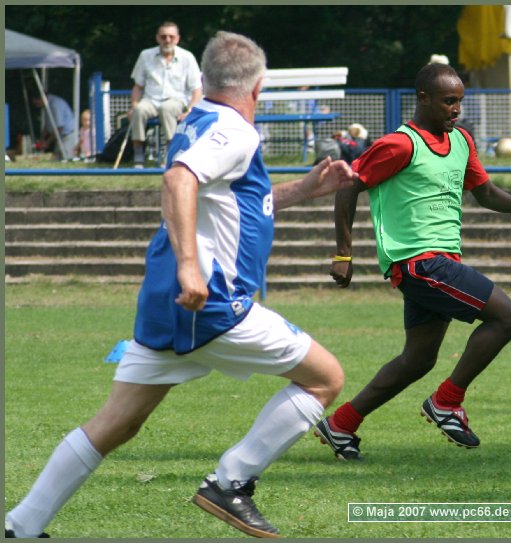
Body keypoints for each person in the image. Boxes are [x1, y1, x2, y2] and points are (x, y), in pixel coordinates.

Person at [5, 30, 357, 539]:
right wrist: (192, 267)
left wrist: (305, 188)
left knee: (117, 423)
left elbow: (228, 200)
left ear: (204, 78)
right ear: (258, 87)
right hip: (209, 303)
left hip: (166, 300)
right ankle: (230, 483)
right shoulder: (235, 130)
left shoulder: (198, 117)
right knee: (324, 379)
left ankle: (22, 525)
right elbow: (179, 180)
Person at [313, 62, 511, 461]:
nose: (456, 109)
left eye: (459, 101)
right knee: (506, 317)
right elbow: (348, 187)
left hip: (438, 263)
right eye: (448, 101)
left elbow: (485, 192)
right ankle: (447, 401)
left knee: (418, 359)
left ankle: (341, 424)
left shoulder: (461, 141)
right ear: (424, 99)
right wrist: (343, 253)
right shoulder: (399, 145)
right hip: (418, 263)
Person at [129, 21, 202, 168]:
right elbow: (138, 86)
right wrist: (134, 105)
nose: (167, 40)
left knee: (166, 108)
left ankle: (171, 153)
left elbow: (197, 90)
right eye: (163, 36)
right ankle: (138, 156)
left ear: (177, 39)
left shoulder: (187, 57)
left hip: (176, 101)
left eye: (171, 36)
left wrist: (189, 111)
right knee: (139, 110)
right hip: (150, 100)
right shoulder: (145, 55)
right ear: (157, 38)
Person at [31, 93, 76, 160]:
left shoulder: (55, 105)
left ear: (41, 98)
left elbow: (59, 128)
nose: (37, 106)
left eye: (37, 103)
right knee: (56, 159)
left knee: (66, 159)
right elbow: (47, 125)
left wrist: (47, 142)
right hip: (60, 137)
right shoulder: (46, 106)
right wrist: (42, 139)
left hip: (68, 137)